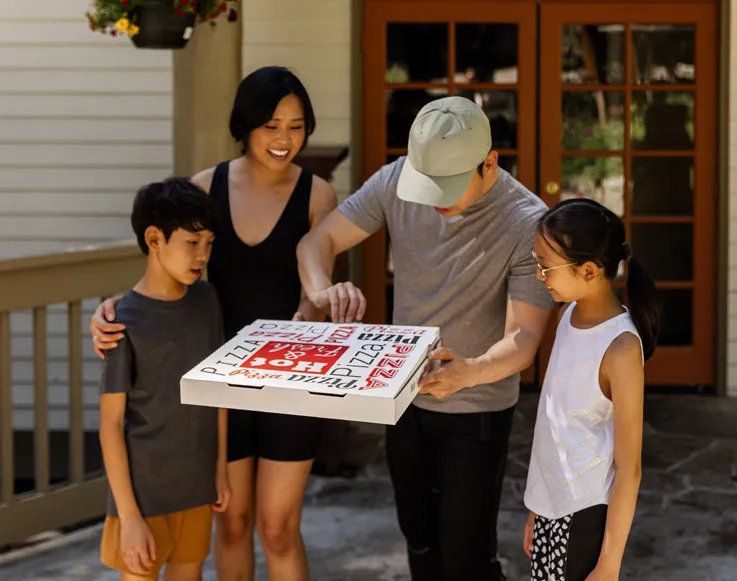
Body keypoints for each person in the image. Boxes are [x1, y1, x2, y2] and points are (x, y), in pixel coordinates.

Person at [90, 66, 337, 581]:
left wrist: (316, 314)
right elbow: (170, 276)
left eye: (296, 126)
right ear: (245, 124)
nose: (284, 139)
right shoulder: (207, 187)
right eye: (271, 125)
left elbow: (315, 294)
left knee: (277, 529)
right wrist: (113, 309)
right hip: (220, 389)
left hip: (290, 385)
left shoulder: (318, 196)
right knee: (231, 524)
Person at [296, 96, 554, 581]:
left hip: (476, 411)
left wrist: (469, 373)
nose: (435, 199)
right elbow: (316, 243)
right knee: (418, 538)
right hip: (403, 400)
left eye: (449, 187)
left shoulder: (526, 221)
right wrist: (323, 292)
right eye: (427, 184)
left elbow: (523, 340)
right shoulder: (396, 181)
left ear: (490, 162)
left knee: (466, 558)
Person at [98, 178, 230, 581]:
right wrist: (129, 515)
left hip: (196, 483)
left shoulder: (207, 301)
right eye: (192, 243)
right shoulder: (122, 321)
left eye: (208, 243)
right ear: (154, 239)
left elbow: (216, 390)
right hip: (142, 495)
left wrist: (220, 468)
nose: (202, 255)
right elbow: (110, 426)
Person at [523, 198, 659, 581]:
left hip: (583, 517)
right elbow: (557, 427)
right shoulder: (568, 314)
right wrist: (538, 506)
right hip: (554, 506)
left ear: (588, 270)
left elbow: (629, 470)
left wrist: (609, 565)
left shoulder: (621, 349)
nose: (539, 275)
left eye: (545, 266)